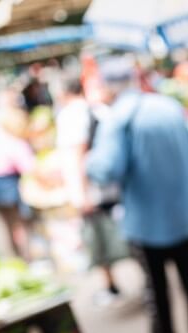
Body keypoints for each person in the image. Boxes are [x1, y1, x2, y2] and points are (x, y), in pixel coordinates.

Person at [86, 57, 188, 333]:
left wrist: (87, 161)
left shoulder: (118, 119)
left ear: (109, 86)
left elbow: (106, 170)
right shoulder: (168, 106)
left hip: (146, 223)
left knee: (157, 292)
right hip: (185, 217)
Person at [56, 76, 127, 306]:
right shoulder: (101, 110)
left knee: (99, 243)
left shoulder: (69, 116)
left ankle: (111, 286)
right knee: (122, 234)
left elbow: (77, 155)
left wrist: (81, 194)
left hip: (92, 190)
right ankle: (146, 281)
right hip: (112, 185)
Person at [0, 95, 36, 259]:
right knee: (20, 225)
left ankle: (16, 257)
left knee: (8, 225)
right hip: (9, 185)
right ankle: (26, 257)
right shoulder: (13, 140)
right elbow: (28, 167)